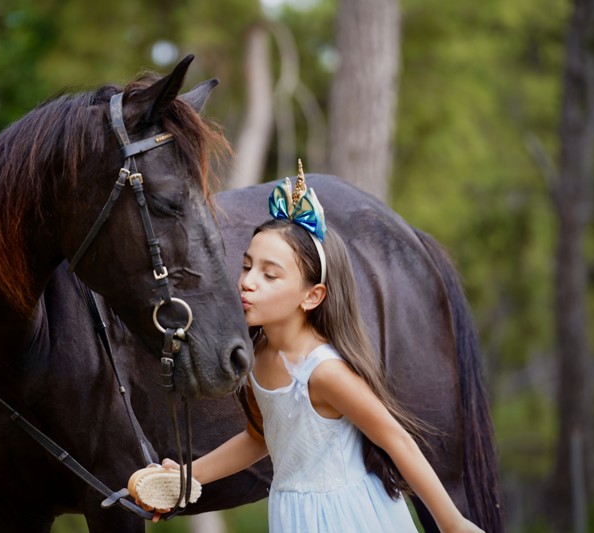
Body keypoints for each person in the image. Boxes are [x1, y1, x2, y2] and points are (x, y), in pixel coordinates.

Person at [129, 161, 485, 532]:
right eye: (247, 266)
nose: (248, 283)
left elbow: (396, 439)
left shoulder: (324, 373)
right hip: (293, 518)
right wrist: (189, 477)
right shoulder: (260, 357)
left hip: (347, 517)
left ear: (312, 296)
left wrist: (451, 522)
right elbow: (260, 437)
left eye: (269, 275)